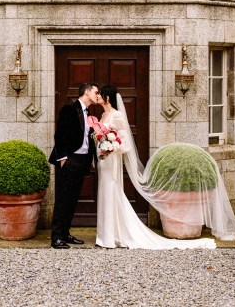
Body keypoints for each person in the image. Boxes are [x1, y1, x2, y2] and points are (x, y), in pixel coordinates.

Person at [93, 86, 220, 250]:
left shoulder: (117, 115)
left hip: (111, 160)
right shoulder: (103, 115)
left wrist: (111, 148)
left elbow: (124, 142)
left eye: (100, 95)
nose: (97, 97)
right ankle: (105, 235)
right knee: (104, 193)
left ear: (107, 98)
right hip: (103, 161)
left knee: (111, 191)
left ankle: (113, 236)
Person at [49, 82, 99, 249]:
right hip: (69, 160)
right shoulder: (69, 109)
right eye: (95, 92)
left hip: (82, 161)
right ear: (86, 92)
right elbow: (60, 135)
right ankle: (56, 237)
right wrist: (63, 158)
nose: (98, 95)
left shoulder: (89, 113)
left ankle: (65, 233)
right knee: (63, 199)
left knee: (73, 199)